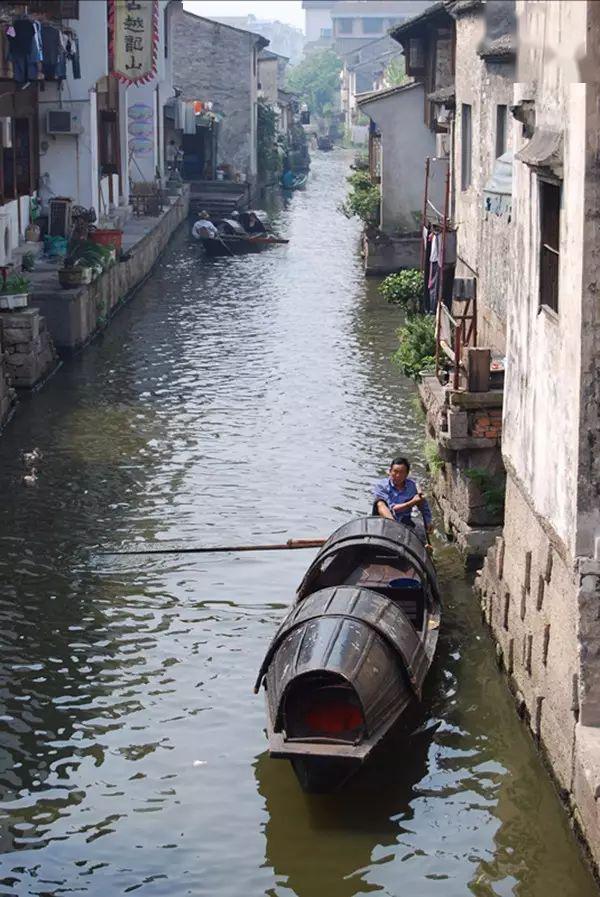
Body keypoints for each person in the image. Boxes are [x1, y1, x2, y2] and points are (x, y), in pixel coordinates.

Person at [372, 456, 433, 534]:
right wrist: (412, 502)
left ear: (407, 474)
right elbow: (392, 509)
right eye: (395, 471)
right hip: (384, 521)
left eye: (401, 473)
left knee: (420, 500)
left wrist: (428, 522)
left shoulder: (412, 486)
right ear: (390, 471)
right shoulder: (381, 486)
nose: (398, 475)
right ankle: (394, 528)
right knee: (380, 503)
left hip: (405, 521)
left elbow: (423, 506)